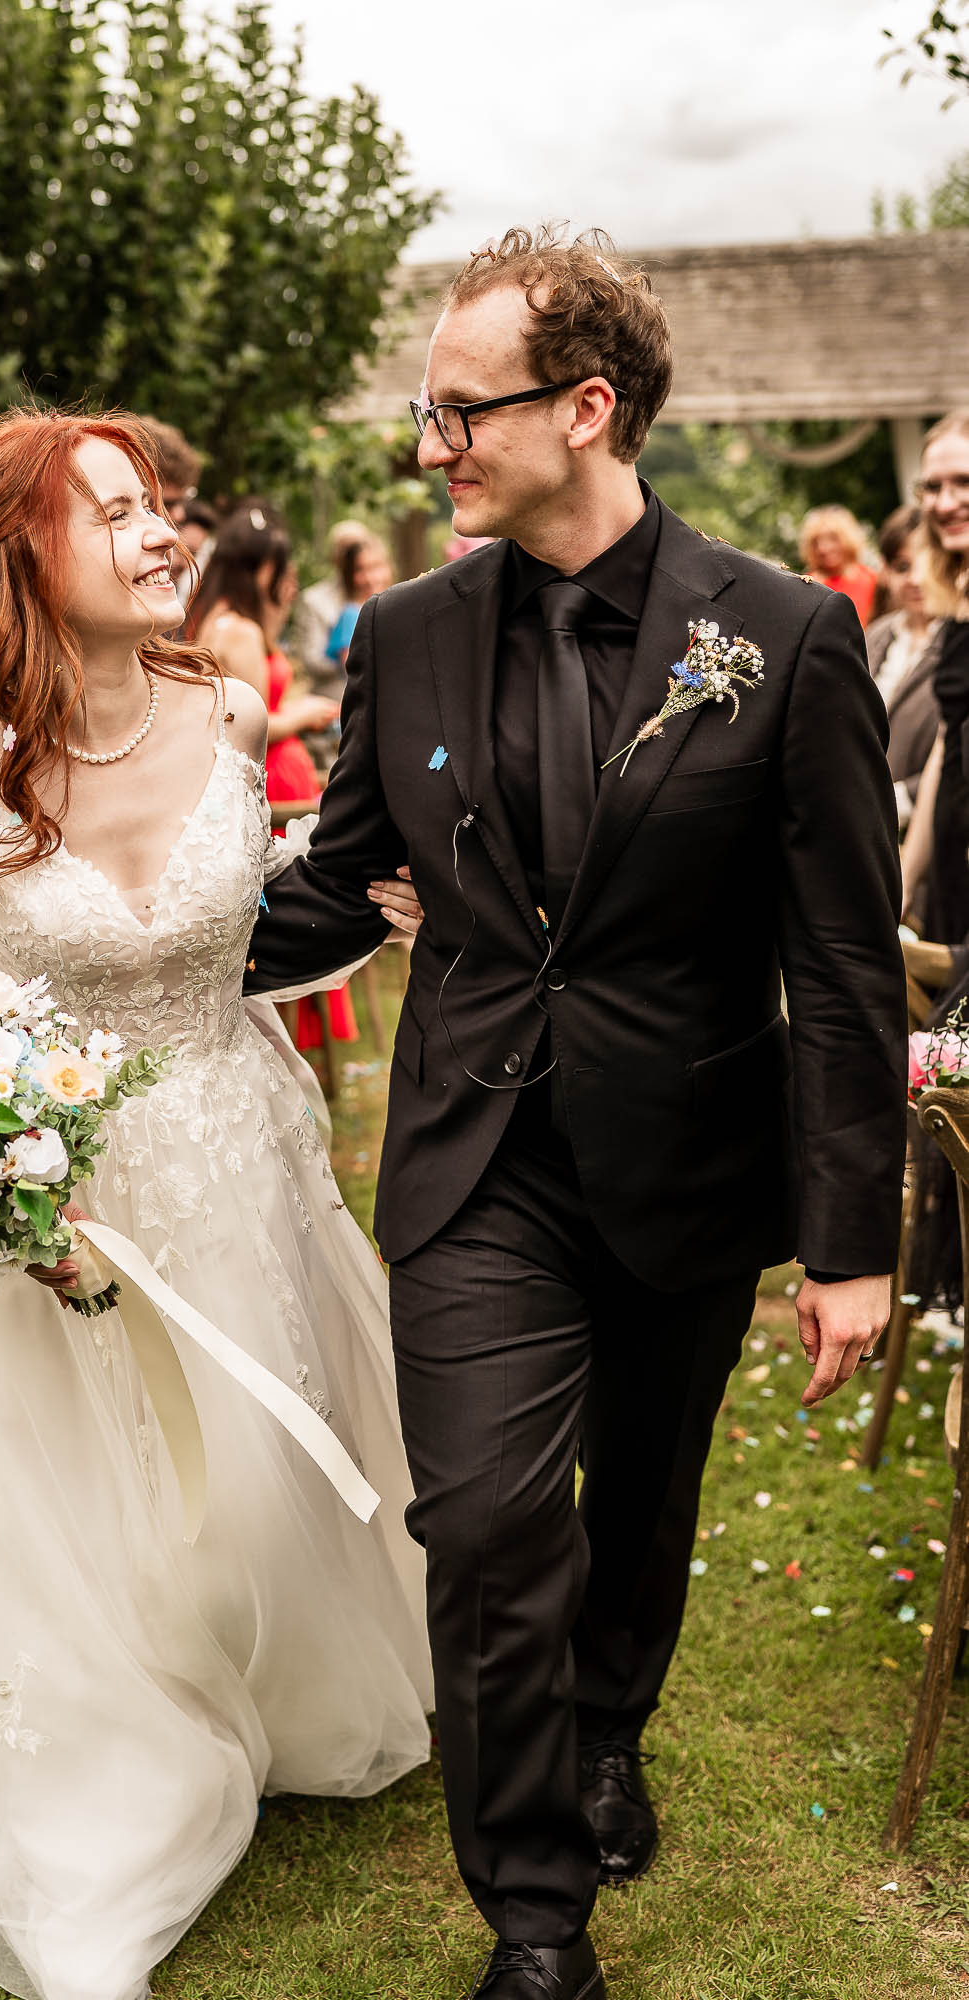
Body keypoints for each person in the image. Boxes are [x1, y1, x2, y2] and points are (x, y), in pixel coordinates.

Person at [246, 226, 906, 2000]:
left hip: (685, 1154)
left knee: (640, 1500)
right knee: (481, 1520)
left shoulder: (779, 635)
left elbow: (839, 964)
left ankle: (608, 1723)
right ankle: (533, 1920)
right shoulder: (399, 631)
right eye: (425, 412)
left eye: (459, 412)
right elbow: (341, 881)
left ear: (586, 407)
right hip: (471, 1159)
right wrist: (129, 947)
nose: (428, 446)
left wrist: (851, 1248)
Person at [0, 405, 431, 2000]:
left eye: (156, 506)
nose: (159, 534)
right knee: (102, 1505)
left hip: (237, 1141)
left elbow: (269, 915)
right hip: (65, 1201)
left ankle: (289, 1688)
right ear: (14, 562)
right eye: (114, 512)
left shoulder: (228, 702)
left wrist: (374, 901)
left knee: (262, 1464)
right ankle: (129, 1761)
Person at [189, 507, 358, 1055]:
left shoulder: (217, 617)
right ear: (263, 568)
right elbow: (254, 720)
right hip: (274, 770)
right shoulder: (236, 630)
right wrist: (307, 712)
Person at [898, 413, 969, 943]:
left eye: (964, 483)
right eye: (933, 487)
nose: (944, 503)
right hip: (952, 866)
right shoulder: (959, 597)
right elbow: (949, 747)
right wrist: (903, 879)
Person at [864, 503, 942, 830]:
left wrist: (897, 802)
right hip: (865, 824)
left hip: (932, 828)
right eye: (902, 566)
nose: (916, 579)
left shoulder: (961, 640)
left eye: (927, 563)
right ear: (884, 570)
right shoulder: (874, 635)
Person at [291, 518, 372, 703]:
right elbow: (312, 660)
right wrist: (349, 657)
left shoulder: (381, 591)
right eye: (347, 551)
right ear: (335, 556)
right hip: (332, 702)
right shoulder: (315, 600)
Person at [324, 533, 395, 681]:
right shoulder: (352, 615)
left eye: (376, 567)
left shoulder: (394, 608)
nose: (370, 578)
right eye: (360, 570)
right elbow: (355, 672)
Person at [799, 504, 879, 627]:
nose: (823, 548)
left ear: (848, 538)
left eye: (832, 539)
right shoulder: (806, 585)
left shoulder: (871, 579)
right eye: (816, 542)